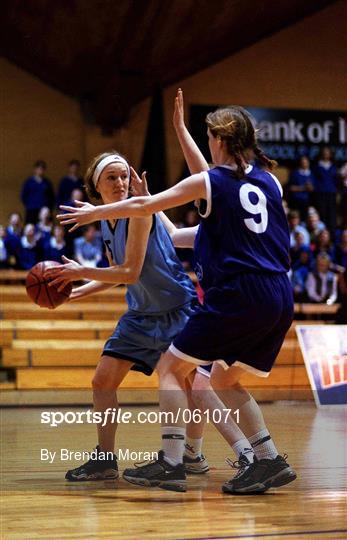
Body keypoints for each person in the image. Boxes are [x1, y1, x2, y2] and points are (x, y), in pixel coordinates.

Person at [57, 90, 297, 494]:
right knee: (222, 380)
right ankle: (267, 459)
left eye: (208, 138)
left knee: (173, 369)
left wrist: (93, 211)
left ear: (218, 141)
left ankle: (174, 460)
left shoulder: (210, 181)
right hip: (279, 294)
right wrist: (181, 131)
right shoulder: (269, 182)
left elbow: (158, 203)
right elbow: (186, 224)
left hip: (237, 293)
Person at [45, 151, 209, 482]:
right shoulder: (108, 221)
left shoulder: (138, 212)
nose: (121, 182)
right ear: (96, 186)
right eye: (112, 177)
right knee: (102, 381)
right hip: (142, 313)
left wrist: (81, 271)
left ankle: (195, 453)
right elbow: (117, 273)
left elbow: (130, 271)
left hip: (177, 307)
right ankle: (105, 460)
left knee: (194, 388)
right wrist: (79, 290)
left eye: (124, 176)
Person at [313, 147, 338, 232]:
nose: (325, 154)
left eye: (327, 152)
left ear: (330, 154)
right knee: (322, 214)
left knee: (331, 216)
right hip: (320, 193)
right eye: (324, 152)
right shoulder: (317, 166)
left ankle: (331, 236)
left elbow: (336, 180)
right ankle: (321, 233)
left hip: (331, 194)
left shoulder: (334, 166)